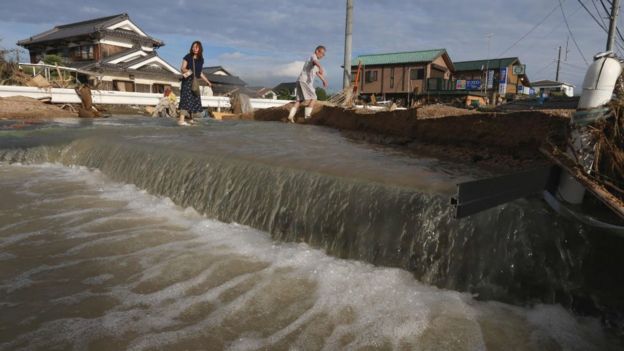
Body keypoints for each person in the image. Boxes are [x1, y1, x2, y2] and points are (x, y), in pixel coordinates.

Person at [287, 45, 328, 122]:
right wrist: (320, 67)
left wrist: (324, 81)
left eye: (323, 54)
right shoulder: (313, 57)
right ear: (317, 51)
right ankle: (307, 116)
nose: (322, 56)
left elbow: (318, 73)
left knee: (299, 100)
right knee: (314, 97)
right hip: (305, 81)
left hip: (300, 80)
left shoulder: (314, 63)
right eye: (322, 53)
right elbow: (315, 62)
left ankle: (290, 116)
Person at [178, 41, 212, 126]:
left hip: (195, 82)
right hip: (187, 81)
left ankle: (191, 119)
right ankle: (181, 120)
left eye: (196, 47)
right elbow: (182, 68)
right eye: (193, 47)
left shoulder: (201, 60)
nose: (195, 49)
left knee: (194, 99)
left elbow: (200, 72)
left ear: (200, 48)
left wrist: (207, 81)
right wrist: (191, 72)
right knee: (185, 99)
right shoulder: (188, 56)